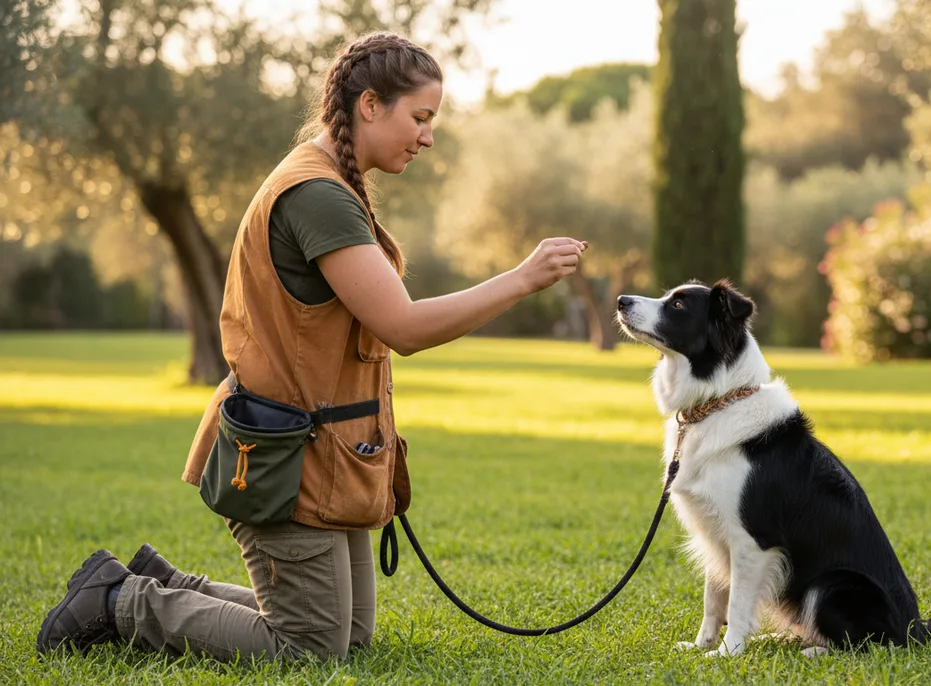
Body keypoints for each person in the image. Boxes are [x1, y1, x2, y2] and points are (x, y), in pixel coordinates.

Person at [36, 31, 587, 662]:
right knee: (310, 645)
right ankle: (118, 603)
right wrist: (521, 280)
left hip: (326, 454)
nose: (428, 137)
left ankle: (164, 586)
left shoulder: (333, 184)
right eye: (421, 118)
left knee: (347, 634)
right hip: (284, 459)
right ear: (371, 105)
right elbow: (402, 328)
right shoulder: (316, 194)